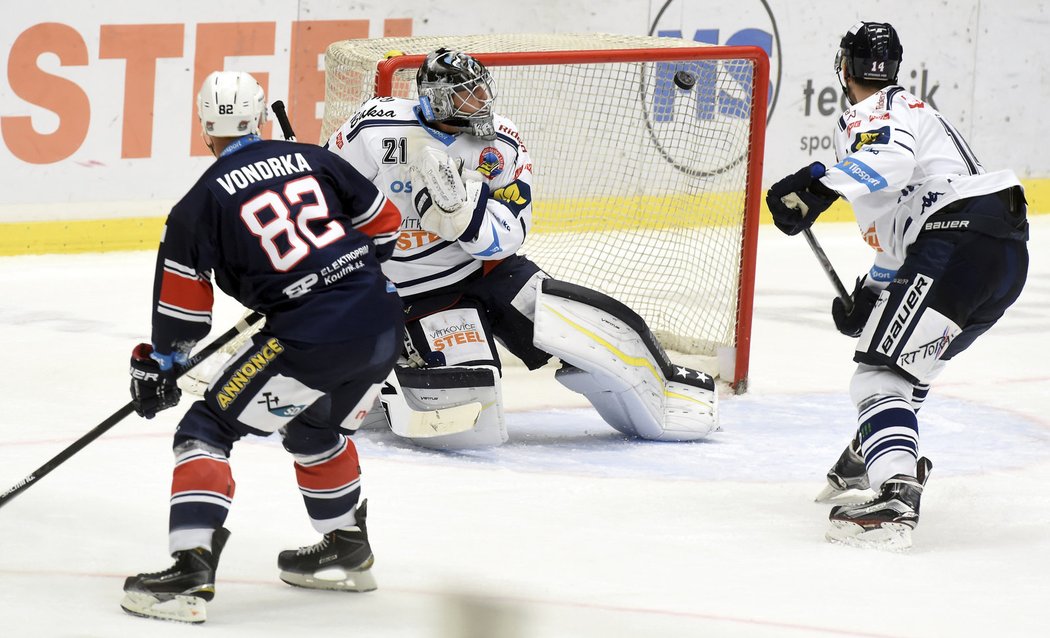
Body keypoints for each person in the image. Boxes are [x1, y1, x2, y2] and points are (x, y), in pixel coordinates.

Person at [323, 48, 718, 448]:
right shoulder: (375, 126)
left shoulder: (502, 143)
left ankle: (664, 392)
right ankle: (381, 383)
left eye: (481, 91)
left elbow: (511, 232)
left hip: (489, 271)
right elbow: (327, 190)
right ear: (436, 97)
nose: (481, 102)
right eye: (467, 94)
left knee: (592, 334)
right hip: (416, 291)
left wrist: (463, 216)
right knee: (470, 400)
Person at [121, 70, 404, 623]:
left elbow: (182, 320)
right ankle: (347, 552)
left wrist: (159, 367)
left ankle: (189, 574)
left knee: (206, 428)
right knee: (313, 428)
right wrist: (331, 275)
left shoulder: (195, 206)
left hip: (311, 338)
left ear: (205, 131)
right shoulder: (313, 160)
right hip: (381, 324)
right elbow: (386, 229)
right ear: (261, 119)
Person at [766, 22, 1029, 550]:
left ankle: (896, 492)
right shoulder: (912, 112)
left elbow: (891, 162)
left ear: (844, 68)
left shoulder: (872, 113)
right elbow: (900, 225)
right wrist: (870, 291)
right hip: (1003, 250)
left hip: (956, 237)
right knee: (912, 365)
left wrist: (818, 185)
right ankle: (874, 450)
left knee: (875, 379)